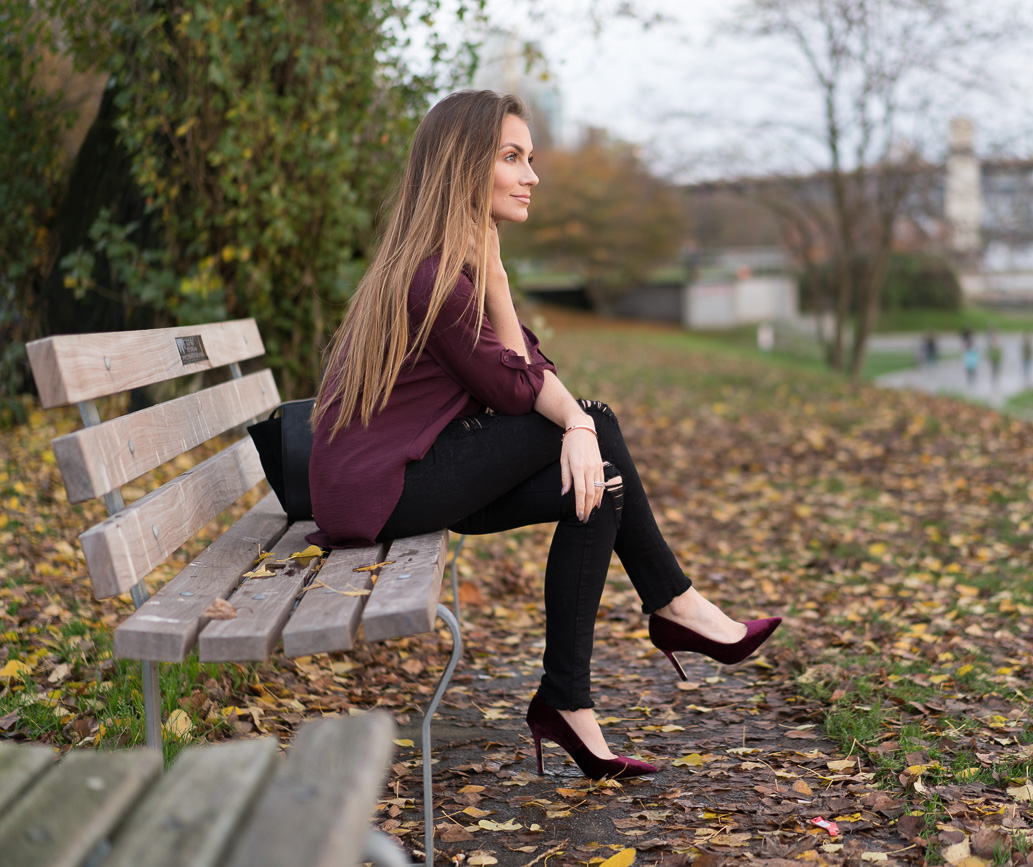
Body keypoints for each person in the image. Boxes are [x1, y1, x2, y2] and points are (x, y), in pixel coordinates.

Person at [305, 91, 780, 781]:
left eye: (531, 159)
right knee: (597, 432)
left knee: (599, 483)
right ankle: (674, 605)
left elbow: (530, 364)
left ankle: (567, 701)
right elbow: (515, 387)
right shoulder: (435, 278)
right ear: (463, 166)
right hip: (385, 491)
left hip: (415, 475)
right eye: (511, 158)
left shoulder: (447, 264)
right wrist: (581, 416)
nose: (531, 175)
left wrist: (579, 422)